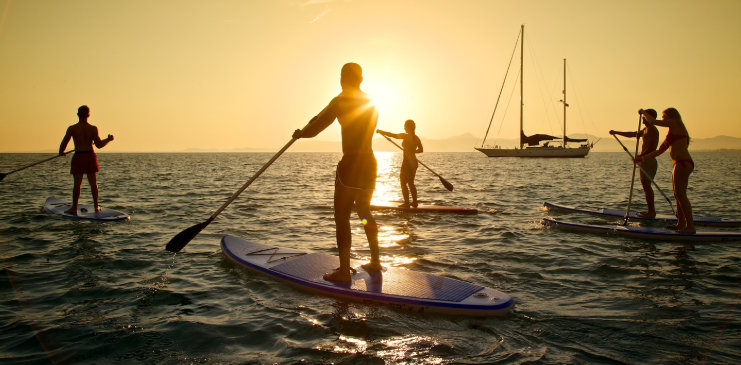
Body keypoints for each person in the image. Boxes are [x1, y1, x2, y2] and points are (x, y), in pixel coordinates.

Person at [292, 63, 381, 282]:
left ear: (343, 78)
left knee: (342, 217)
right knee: (364, 212)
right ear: (360, 79)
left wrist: (300, 134)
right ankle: (376, 260)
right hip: (369, 163)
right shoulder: (372, 102)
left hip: (351, 163)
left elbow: (317, 127)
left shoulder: (340, 101)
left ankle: (343, 271)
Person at [635, 108, 694, 233]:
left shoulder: (676, 123)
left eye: (664, 116)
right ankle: (681, 224)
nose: (663, 119)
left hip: (683, 163)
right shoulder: (671, 133)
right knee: (677, 195)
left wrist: (643, 112)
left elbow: (653, 121)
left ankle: (690, 227)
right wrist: (641, 158)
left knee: (681, 195)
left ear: (670, 116)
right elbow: (658, 151)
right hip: (677, 164)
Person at [58, 105, 114, 215]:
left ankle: (74, 208)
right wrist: (108, 139)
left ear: (78, 114)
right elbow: (99, 145)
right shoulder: (93, 128)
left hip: (79, 156)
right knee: (93, 183)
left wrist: (61, 152)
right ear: (88, 115)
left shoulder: (72, 128)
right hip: (89, 155)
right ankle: (96, 206)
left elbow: (64, 143)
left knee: (77, 184)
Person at [609, 108, 660, 217]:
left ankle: (651, 212)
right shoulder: (646, 129)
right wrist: (616, 132)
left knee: (647, 186)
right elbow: (633, 134)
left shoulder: (652, 130)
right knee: (646, 185)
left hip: (648, 161)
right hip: (644, 160)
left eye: (644, 118)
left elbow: (652, 148)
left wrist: (641, 157)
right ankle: (650, 211)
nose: (642, 121)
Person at [377, 120, 423, 208]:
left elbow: (392, 135)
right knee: (410, 183)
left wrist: (381, 131)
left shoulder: (405, 136)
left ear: (408, 127)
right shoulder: (416, 137)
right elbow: (421, 149)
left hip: (407, 163)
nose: (404, 127)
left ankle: (407, 203)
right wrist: (413, 151)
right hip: (414, 162)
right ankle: (414, 202)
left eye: (405, 126)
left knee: (403, 182)